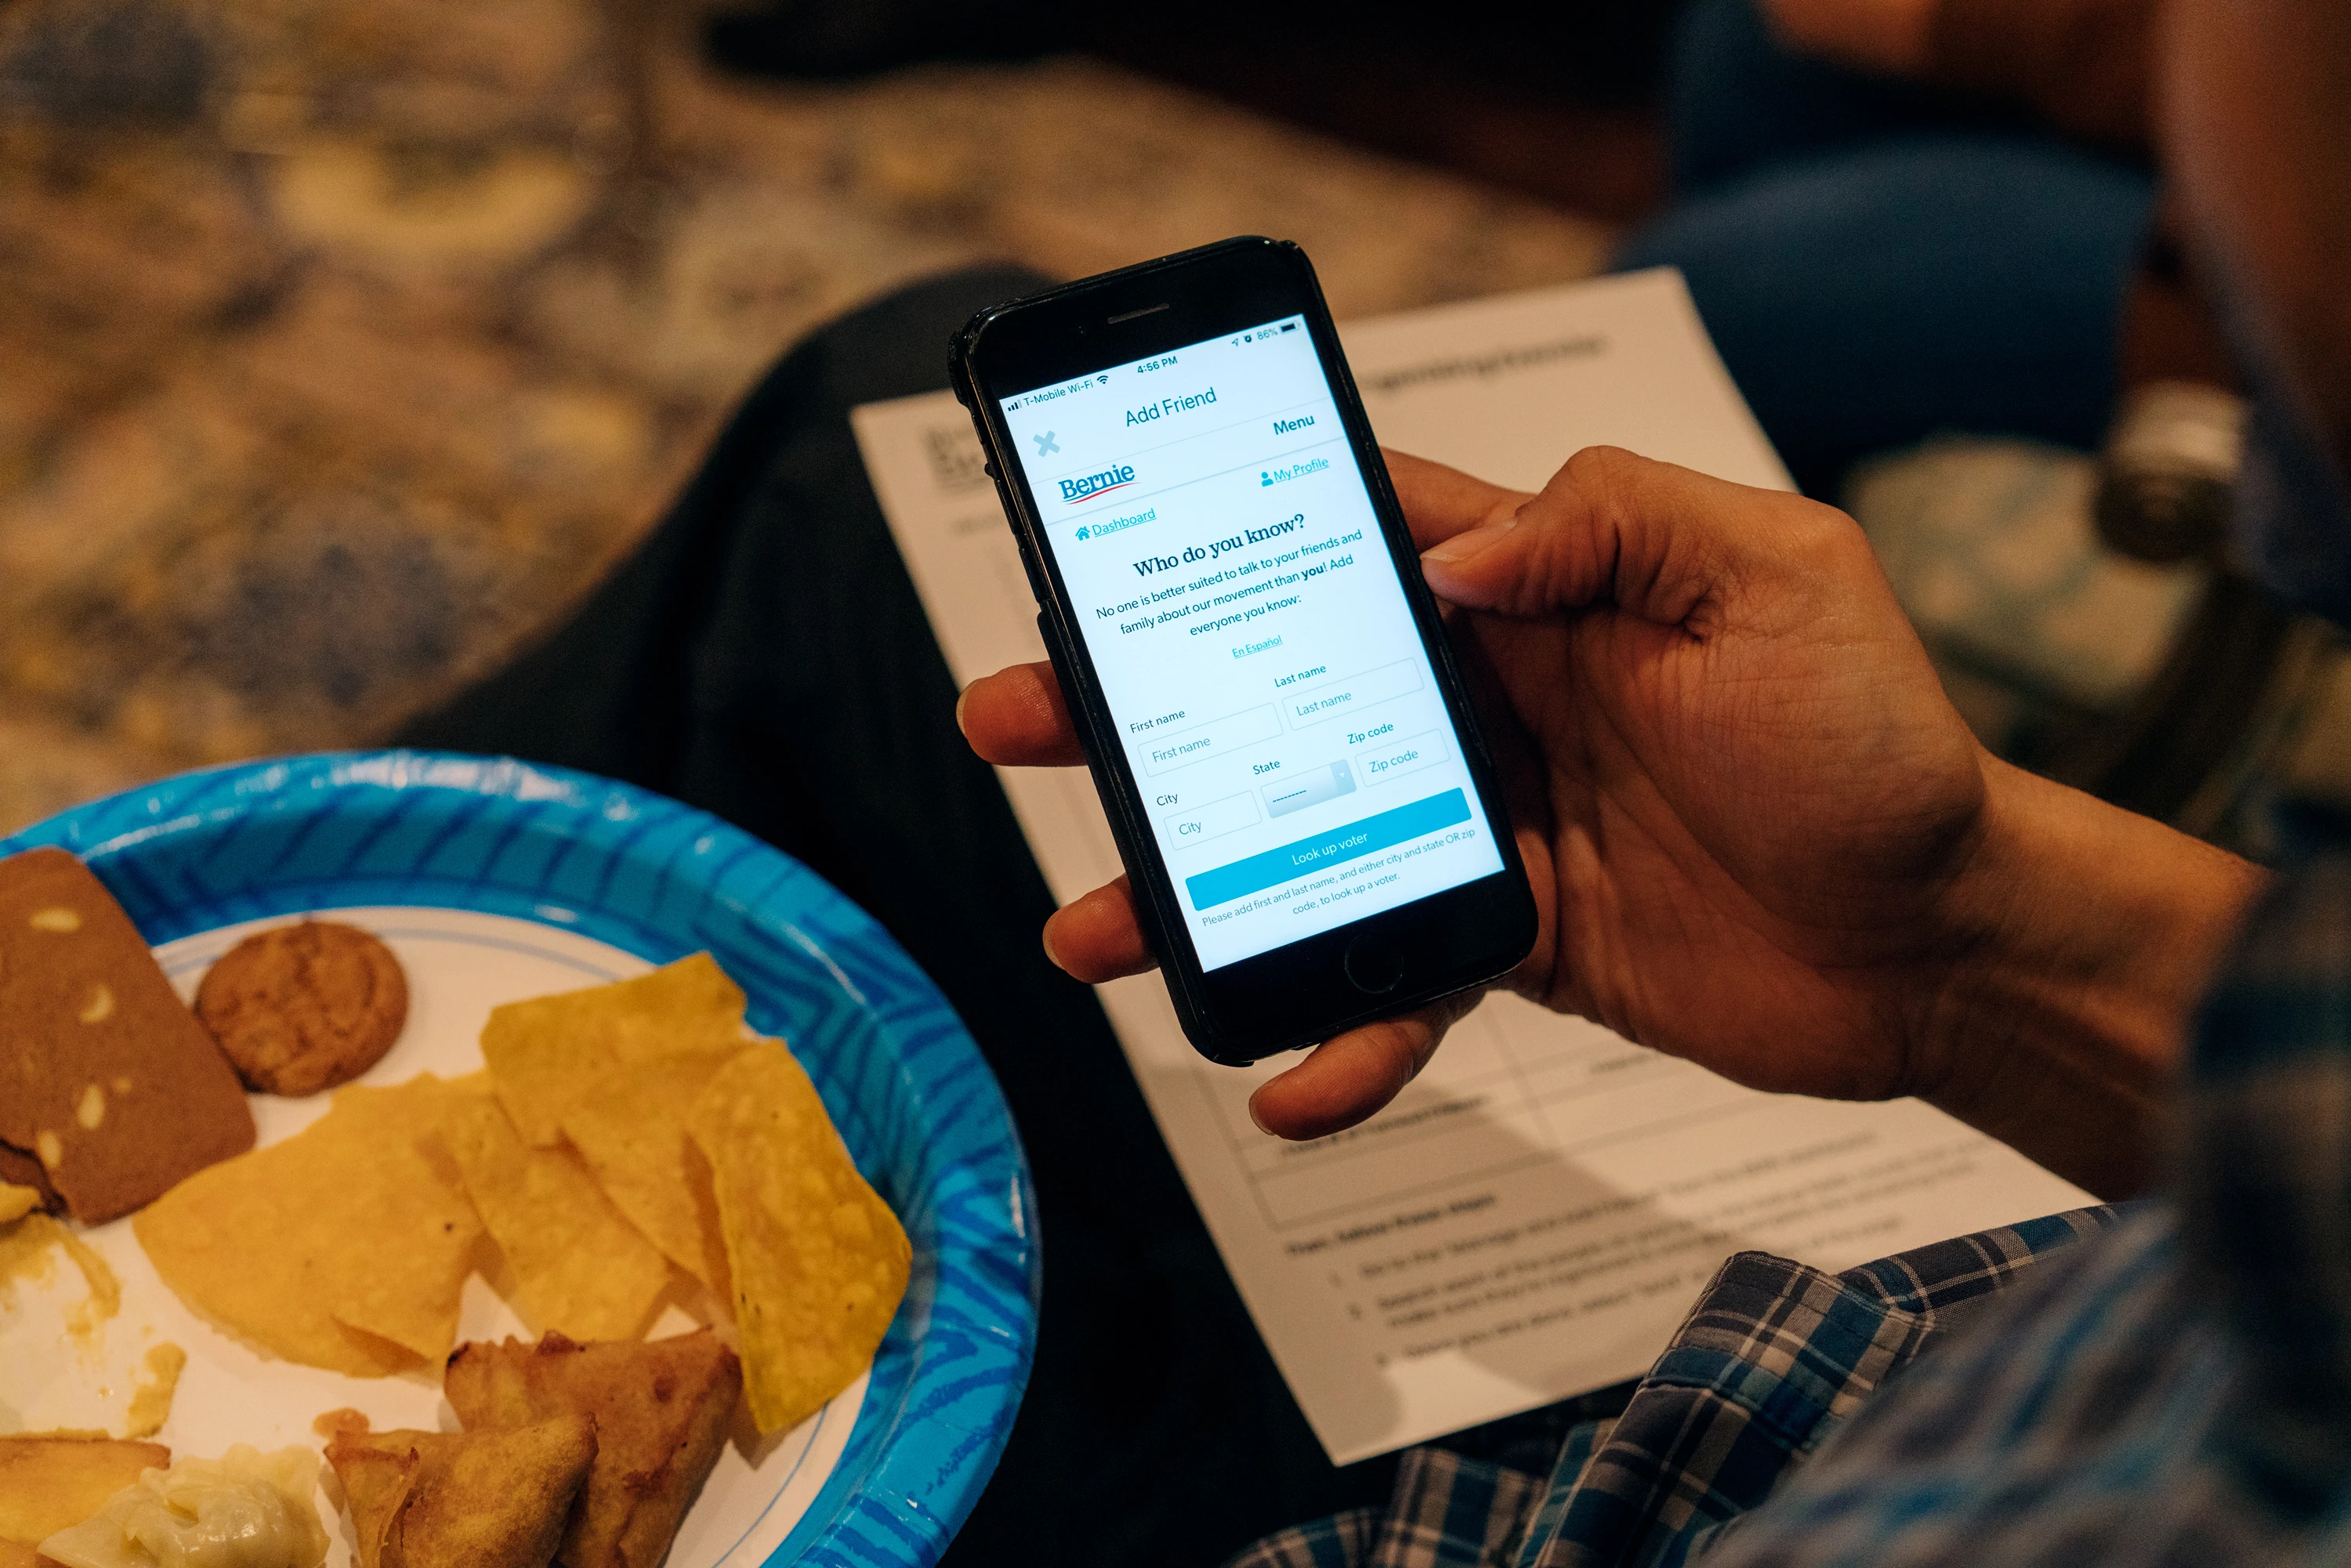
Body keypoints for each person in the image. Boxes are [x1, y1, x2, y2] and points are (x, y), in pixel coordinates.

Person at [409, 0, 2351, 1560]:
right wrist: (1953, 937)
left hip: (1557, 1469)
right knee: (902, 395)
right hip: (1927, 1239)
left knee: (863, 458)